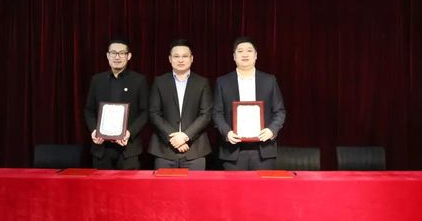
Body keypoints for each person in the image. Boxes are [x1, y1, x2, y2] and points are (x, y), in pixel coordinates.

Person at [212, 36, 286, 170]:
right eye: (240, 51)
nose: (245, 54)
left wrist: (271, 130)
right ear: (234, 56)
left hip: (264, 150)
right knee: (234, 185)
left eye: (249, 51)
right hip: (233, 151)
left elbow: (279, 111)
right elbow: (217, 113)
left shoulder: (269, 80)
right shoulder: (222, 82)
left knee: (263, 184)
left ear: (256, 55)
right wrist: (227, 132)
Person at [148, 39, 212, 170]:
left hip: (195, 150)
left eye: (185, 56)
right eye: (176, 56)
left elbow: (205, 115)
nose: (180, 60)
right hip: (164, 150)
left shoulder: (202, 83)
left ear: (191, 58)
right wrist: (174, 137)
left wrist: (185, 136)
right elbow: (154, 114)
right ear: (170, 59)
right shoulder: (159, 82)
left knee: (195, 184)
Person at [84, 38, 148, 169]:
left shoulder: (139, 80)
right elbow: (89, 110)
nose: (117, 57)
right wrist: (94, 130)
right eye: (113, 53)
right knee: (100, 183)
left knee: (129, 183)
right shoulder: (97, 80)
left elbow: (145, 112)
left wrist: (130, 132)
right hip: (101, 148)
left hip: (128, 149)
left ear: (128, 56)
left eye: (121, 53)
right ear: (108, 55)